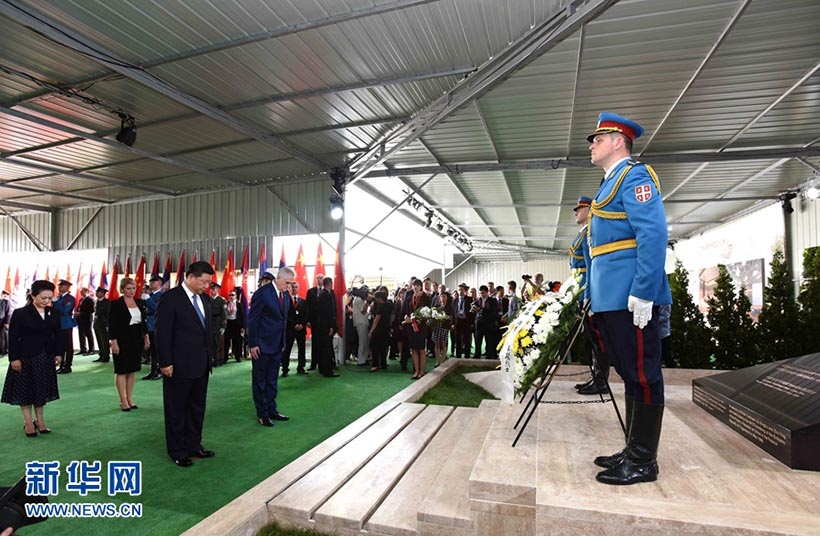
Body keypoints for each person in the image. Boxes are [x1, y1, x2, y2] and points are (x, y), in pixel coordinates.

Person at [585, 112, 671, 486]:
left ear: (618, 141)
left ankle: (643, 461)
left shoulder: (634, 176)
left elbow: (652, 234)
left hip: (630, 295)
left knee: (643, 374)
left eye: (598, 138)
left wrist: (643, 291)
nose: (592, 144)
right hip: (611, 296)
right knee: (629, 374)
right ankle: (634, 448)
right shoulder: (608, 184)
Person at [155, 261, 216, 467]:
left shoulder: (205, 299)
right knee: (176, 409)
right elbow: (162, 333)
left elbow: (207, 332)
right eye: (204, 281)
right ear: (191, 277)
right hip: (178, 365)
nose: (207, 285)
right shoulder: (170, 299)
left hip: (201, 365)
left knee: (197, 408)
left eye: (209, 282)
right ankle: (177, 450)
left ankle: (194, 445)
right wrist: (165, 362)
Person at [1, 280, 63, 437]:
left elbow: (58, 335)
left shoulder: (54, 313)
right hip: (25, 358)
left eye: (50, 298)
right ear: (33, 295)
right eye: (43, 298)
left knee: (41, 391)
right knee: (25, 390)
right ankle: (28, 422)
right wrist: (14, 359)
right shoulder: (21, 313)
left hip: (46, 357)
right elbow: (13, 338)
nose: (47, 301)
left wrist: (58, 353)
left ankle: (40, 421)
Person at [248, 267, 293, 426]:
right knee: (260, 380)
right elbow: (253, 320)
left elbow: (283, 320)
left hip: (277, 344)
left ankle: (271, 409)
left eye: (291, 284)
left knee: (272, 380)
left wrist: (283, 342)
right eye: (287, 283)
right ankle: (262, 413)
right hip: (261, 345)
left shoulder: (286, 294)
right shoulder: (262, 293)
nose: (289, 286)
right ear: (279, 278)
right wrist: (253, 343)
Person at [108, 278, 149, 412]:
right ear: (122, 290)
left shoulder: (140, 302)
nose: (131, 291)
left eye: (133, 288)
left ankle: (130, 398)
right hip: (121, 339)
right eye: (128, 289)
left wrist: (146, 337)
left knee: (132, 370)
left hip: (136, 338)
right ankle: (123, 400)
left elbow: (144, 322)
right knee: (121, 370)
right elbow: (112, 325)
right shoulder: (115, 304)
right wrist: (114, 343)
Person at [402, 279, 431, 379]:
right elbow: (405, 311)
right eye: (414, 285)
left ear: (420, 287)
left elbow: (428, 311)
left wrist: (421, 319)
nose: (415, 287)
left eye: (417, 285)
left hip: (421, 327)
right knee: (413, 349)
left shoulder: (425, 297)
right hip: (411, 326)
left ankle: (422, 371)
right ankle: (416, 371)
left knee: (421, 349)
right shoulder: (409, 297)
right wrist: (406, 317)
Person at [314, 277, 339, 378]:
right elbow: (329, 313)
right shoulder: (327, 295)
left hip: (321, 325)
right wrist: (331, 326)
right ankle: (327, 370)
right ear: (330, 283)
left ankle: (322, 368)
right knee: (327, 348)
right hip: (326, 326)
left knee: (322, 348)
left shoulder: (322, 294)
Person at [284, 281, 308, 376]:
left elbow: (306, 314)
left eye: (296, 287)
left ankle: (301, 368)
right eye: (293, 287)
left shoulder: (303, 301)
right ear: (290, 288)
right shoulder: (286, 301)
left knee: (301, 349)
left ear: (298, 288)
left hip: (301, 329)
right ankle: (285, 368)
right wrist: (294, 324)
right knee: (287, 349)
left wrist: (302, 324)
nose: (294, 288)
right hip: (290, 329)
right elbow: (286, 315)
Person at [52, 280, 76, 374]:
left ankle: (67, 366)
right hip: (57, 324)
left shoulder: (70, 299)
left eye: (62, 286)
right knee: (60, 345)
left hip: (66, 324)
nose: (59, 287)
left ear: (67, 287)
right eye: (59, 286)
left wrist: (56, 302)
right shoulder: (59, 297)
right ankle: (61, 365)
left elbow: (64, 311)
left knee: (68, 346)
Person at [142, 276, 163, 379]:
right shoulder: (150, 295)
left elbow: (157, 309)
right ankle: (153, 370)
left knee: (156, 349)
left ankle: (158, 371)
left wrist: (148, 300)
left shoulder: (162, 295)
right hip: (148, 324)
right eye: (150, 282)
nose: (151, 283)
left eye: (153, 281)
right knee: (151, 350)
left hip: (156, 325)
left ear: (159, 283)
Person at [305, 273, 325, 371]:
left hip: (324, 322)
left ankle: (322, 364)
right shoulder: (310, 291)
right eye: (317, 278)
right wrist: (308, 320)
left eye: (321, 278)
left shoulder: (327, 291)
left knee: (323, 344)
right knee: (315, 343)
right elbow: (307, 307)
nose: (319, 279)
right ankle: (313, 364)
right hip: (314, 321)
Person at [368, 290, 391, 372]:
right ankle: (383, 364)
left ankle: (375, 364)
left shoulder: (381, 307)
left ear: (379, 298)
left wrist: (371, 331)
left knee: (374, 346)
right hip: (386, 328)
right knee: (383, 347)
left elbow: (376, 320)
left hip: (379, 329)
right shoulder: (389, 304)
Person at [473, 285, 498, 359]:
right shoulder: (478, 301)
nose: (481, 295)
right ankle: (477, 354)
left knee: (489, 341)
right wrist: (474, 309)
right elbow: (474, 310)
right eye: (480, 293)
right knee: (478, 341)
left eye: (483, 293)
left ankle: (489, 355)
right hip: (479, 324)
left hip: (488, 324)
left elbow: (493, 312)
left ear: (487, 292)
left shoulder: (493, 301)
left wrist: (481, 309)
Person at [223, 288, 245, 363]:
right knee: (227, 341)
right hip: (228, 323)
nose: (231, 296)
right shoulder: (226, 303)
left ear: (235, 296)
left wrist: (242, 326)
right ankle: (225, 357)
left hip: (236, 323)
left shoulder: (239, 305)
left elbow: (242, 316)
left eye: (232, 295)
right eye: (230, 295)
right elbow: (223, 313)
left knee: (237, 341)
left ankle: (237, 356)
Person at [432, 292, 452, 367]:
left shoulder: (449, 306)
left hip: (444, 327)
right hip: (436, 327)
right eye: (441, 296)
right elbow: (433, 315)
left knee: (443, 343)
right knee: (437, 343)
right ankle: (437, 360)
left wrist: (445, 318)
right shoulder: (436, 306)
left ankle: (443, 360)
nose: (443, 298)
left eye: (444, 296)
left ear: (447, 298)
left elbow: (450, 317)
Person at [209, 283, 227, 367]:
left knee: (218, 343)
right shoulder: (208, 300)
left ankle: (218, 360)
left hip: (218, 322)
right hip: (210, 323)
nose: (212, 290)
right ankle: (212, 359)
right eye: (211, 289)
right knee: (211, 343)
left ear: (218, 290)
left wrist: (223, 326)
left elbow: (224, 314)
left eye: (214, 289)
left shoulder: (221, 300)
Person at [453, 284, 473, 358]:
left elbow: (472, 312)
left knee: (466, 339)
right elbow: (453, 312)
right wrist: (453, 323)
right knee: (458, 339)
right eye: (459, 290)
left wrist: (471, 322)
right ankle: (458, 355)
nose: (460, 291)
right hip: (458, 322)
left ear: (464, 290)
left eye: (461, 289)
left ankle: (467, 355)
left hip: (466, 321)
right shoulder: (455, 300)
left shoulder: (469, 299)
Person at [92, 287, 111, 363]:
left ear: (103, 294)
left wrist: (107, 325)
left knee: (104, 340)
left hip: (103, 322)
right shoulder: (96, 301)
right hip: (97, 322)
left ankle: (106, 356)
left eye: (99, 292)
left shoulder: (107, 302)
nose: (97, 293)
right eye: (97, 292)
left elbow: (108, 314)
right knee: (99, 340)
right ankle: (101, 354)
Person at [76, 288, 95, 355]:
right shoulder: (81, 299)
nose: (81, 292)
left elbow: (91, 310)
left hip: (87, 320)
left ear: (87, 291)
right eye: (81, 291)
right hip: (80, 319)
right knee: (81, 335)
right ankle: (83, 349)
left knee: (89, 334)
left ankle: (91, 349)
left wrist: (81, 313)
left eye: (82, 291)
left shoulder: (90, 299)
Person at [1, 290, 12, 357]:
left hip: (2, 322)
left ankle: (3, 352)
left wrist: (6, 322)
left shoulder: (6, 302)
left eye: (6, 295)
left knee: (2, 338)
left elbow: (8, 313)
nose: (5, 296)